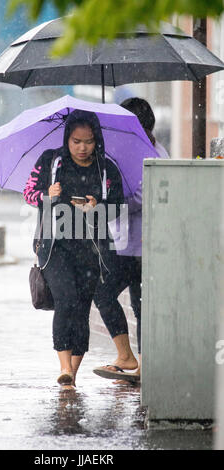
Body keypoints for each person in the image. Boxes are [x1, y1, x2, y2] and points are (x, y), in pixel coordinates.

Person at [23, 109, 124, 388]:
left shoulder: (106, 170)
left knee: (81, 309)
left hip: (91, 248)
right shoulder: (51, 162)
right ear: (67, 138)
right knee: (66, 300)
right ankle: (64, 367)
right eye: (76, 141)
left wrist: (97, 207)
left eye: (88, 142)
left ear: (96, 140)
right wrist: (47, 195)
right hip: (55, 247)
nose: (82, 148)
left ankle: (72, 375)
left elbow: (119, 207)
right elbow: (28, 193)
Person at [93, 97, 169, 384]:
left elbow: (141, 197)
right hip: (131, 243)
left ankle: (133, 360)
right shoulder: (133, 150)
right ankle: (135, 362)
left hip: (139, 246)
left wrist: (111, 201)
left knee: (110, 293)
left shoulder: (153, 154)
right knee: (138, 303)